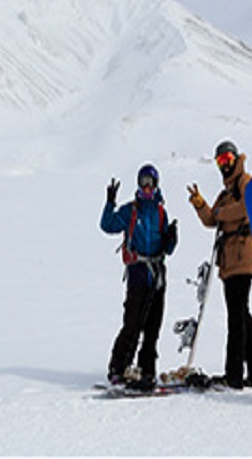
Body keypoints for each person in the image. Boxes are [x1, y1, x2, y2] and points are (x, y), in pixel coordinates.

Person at [187, 141, 252, 389]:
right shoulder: (225, 192)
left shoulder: (245, 182)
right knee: (242, 314)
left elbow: (246, 207)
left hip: (242, 257)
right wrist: (201, 205)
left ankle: (233, 375)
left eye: (227, 159)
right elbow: (212, 219)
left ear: (236, 159)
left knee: (236, 316)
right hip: (229, 261)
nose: (224, 165)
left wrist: (220, 214)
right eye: (220, 161)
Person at [100, 163, 178, 390]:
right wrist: (109, 203)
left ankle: (147, 370)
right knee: (133, 322)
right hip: (137, 272)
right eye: (143, 183)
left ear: (156, 185)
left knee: (153, 326)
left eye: (150, 183)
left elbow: (168, 249)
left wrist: (171, 239)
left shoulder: (161, 212)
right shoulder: (131, 210)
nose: (146, 188)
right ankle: (118, 367)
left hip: (158, 274)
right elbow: (107, 225)